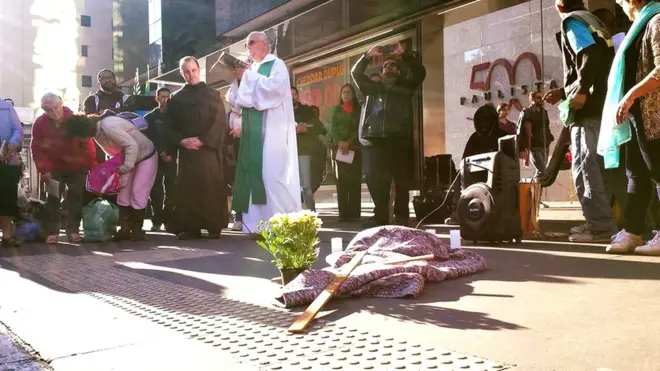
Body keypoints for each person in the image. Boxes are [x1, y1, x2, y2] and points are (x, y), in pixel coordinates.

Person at [543, 0, 618, 242]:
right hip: (604, 102)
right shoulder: (593, 21)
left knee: (586, 166)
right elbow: (597, 63)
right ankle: (602, 222)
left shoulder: (572, 21)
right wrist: (566, 92)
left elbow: (589, 53)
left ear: (560, 6)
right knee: (598, 165)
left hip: (589, 108)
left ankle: (599, 226)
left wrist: (582, 91)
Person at [227, 31, 301, 234]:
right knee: (254, 174)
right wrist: (240, 79)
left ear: (265, 44)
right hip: (253, 133)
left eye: (251, 42)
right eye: (246, 44)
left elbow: (274, 91)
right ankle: (257, 225)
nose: (248, 47)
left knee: (272, 176)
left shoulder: (277, 65)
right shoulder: (253, 68)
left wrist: (248, 76)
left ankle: (281, 224)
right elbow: (236, 101)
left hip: (273, 132)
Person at [602, 0, 660, 255]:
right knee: (636, 173)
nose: (618, 3)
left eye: (621, 0)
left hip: (653, 115)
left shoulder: (656, 20)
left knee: (658, 173)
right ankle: (633, 231)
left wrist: (630, 96)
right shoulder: (641, 24)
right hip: (638, 117)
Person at [352, 41, 426, 227]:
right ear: (382, 71)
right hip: (376, 141)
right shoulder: (372, 88)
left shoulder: (405, 87)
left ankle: (401, 219)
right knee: (378, 183)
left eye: (393, 65)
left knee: (401, 182)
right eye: (386, 65)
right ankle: (381, 219)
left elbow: (420, 73)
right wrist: (368, 55)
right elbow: (355, 74)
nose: (389, 67)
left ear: (398, 70)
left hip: (399, 140)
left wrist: (405, 54)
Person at [165, 56, 230, 239]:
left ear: (198, 70)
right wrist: (181, 141)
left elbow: (220, 123)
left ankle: (213, 226)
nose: (190, 75)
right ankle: (191, 227)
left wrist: (203, 140)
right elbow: (168, 126)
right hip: (187, 154)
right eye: (186, 71)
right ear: (181, 73)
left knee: (211, 187)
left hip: (208, 152)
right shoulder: (175, 98)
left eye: (193, 70)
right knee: (189, 189)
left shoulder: (213, 94)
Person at [65, 113, 157, 241]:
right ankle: (125, 228)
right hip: (129, 158)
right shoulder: (97, 131)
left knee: (138, 192)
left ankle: (136, 229)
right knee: (123, 194)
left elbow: (131, 145)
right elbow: (114, 150)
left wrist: (126, 167)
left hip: (145, 156)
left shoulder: (109, 126)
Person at [31, 93, 97, 244]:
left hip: (77, 166)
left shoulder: (75, 118)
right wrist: (44, 170)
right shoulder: (40, 123)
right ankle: (52, 231)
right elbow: (37, 149)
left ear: (61, 104)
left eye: (55, 108)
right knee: (52, 198)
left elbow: (88, 143)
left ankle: (73, 230)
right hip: (53, 167)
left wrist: (92, 166)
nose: (53, 112)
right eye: (47, 109)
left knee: (75, 198)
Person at [83, 69, 133, 165]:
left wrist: (103, 113)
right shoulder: (91, 100)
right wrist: (117, 113)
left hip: (123, 145)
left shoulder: (125, 98)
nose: (108, 80)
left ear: (115, 80)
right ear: (99, 82)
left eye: (110, 77)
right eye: (104, 78)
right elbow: (89, 123)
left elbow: (130, 116)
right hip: (100, 147)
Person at [144, 87, 176, 232]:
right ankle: (156, 220)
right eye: (162, 97)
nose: (165, 100)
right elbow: (147, 139)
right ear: (157, 99)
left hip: (172, 158)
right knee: (155, 191)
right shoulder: (149, 117)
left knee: (172, 190)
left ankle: (169, 220)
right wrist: (162, 153)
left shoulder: (175, 117)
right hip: (155, 157)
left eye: (168, 97)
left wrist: (171, 155)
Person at [331, 84, 362, 221]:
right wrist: (340, 142)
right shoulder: (337, 110)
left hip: (354, 149)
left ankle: (354, 214)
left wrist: (349, 142)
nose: (346, 94)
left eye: (349, 92)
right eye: (344, 92)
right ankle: (343, 215)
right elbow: (333, 128)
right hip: (340, 151)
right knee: (341, 182)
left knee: (355, 182)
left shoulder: (359, 110)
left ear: (353, 94)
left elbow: (359, 128)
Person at [292, 87, 325, 211]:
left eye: (294, 94)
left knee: (306, 186)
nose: (291, 97)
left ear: (298, 96)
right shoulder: (281, 113)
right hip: (286, 154)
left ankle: (312, 214)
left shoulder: (306, 111)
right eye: (289, 95)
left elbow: (319, 127)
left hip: (303, 151)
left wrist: (306, 128)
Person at [0, 98, 23, 247]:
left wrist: (13, 142)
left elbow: (17, 128)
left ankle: (7, 236)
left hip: (7, 156)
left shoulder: (6, 107)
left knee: (7, 197)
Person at [518, 90, 554, 179]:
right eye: (538, 97)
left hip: (545, 145)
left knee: (541, 172)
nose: (541, 99)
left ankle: (536, 190)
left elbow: (547, 127)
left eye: (542, 97)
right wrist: (522, 148)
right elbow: (520, 130)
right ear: (532, 99)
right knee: (542, 172)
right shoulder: (526, 112)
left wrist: (549, 138)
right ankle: (531, 189)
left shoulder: (544, 112)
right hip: (534, 146)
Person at [226, 86, 245, 232]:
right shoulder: (227, 116)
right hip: (231, 158)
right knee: (236, 188)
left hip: (248, 155)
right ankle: (237, 218)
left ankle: (246, 218)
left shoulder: (251, 115)